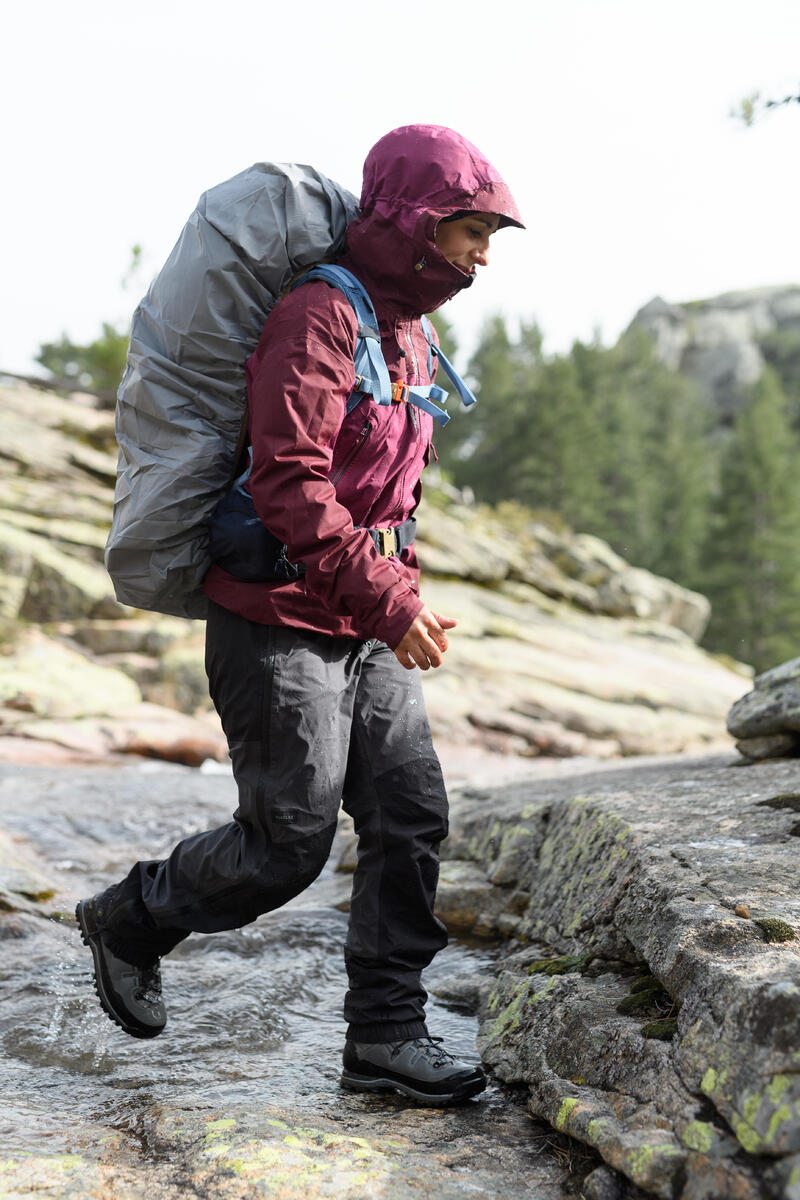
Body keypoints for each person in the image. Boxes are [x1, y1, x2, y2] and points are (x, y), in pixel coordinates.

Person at [76, 124, 523, 1104]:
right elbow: (288, 484)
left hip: (361, 623)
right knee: (287, 841)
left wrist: (396, 591)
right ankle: (131, 917)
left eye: (491, 234)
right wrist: (387, 596)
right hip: (274, 616)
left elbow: (388, 493)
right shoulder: (318, 316)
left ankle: (384, 1040)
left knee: (408, 821)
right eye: (472, 232)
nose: (484, 254)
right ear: (416, 222)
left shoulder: (411, 331)